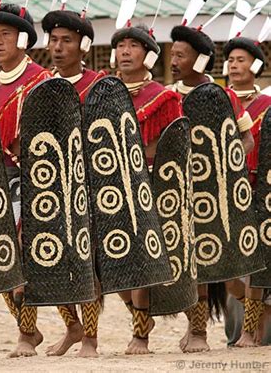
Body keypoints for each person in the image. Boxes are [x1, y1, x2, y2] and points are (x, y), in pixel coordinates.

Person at [169, 24, 255, 353]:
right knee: (193, 269)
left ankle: (255, 318)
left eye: (181, 55)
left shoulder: (225, 96)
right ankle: (198, 331)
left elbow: (245, 139)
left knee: (231, 277)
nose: (174, 60)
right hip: (183, 198)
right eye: (172, 54)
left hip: (221, 197)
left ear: (200, 60)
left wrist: (225, 167)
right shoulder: (168, 96)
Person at [0, 1, 51, 358]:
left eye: (5, 33)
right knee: (2, 257)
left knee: (25, 255)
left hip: (36, 179)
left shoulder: (42, 81)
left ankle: (51, 331)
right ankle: (29, 330)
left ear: (23, 38)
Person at [111, 24, 182, 354]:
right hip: (111, 188)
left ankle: (140, 335)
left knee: (140, 261)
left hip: (151, 188)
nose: (125, 51)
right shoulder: (105, 94)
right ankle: (142, 317)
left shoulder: (165, 98)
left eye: (133, 46)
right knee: (109, 263)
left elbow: (174, 149)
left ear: (149, 55)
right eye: (120, 46)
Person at [41, 9, 105, 358]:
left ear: (84, 46)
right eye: (54, 40)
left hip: (91, 186)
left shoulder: (100, 86)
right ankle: (72, 326)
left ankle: (91, 339)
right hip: (51, 188)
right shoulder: (41, 86)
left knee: (86, 263)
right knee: (51, 262)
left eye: (67, 40)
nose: (58, 47)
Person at [223, 36, 271, 347]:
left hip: (260, 190)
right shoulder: (218, 99)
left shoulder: (268, 105)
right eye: (231, 60)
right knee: (229, 272)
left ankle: (252, 331)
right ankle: (259, 315)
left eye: (241, 60)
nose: (234, 65)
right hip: (226, 193)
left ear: (254, 66)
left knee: (257, 265)